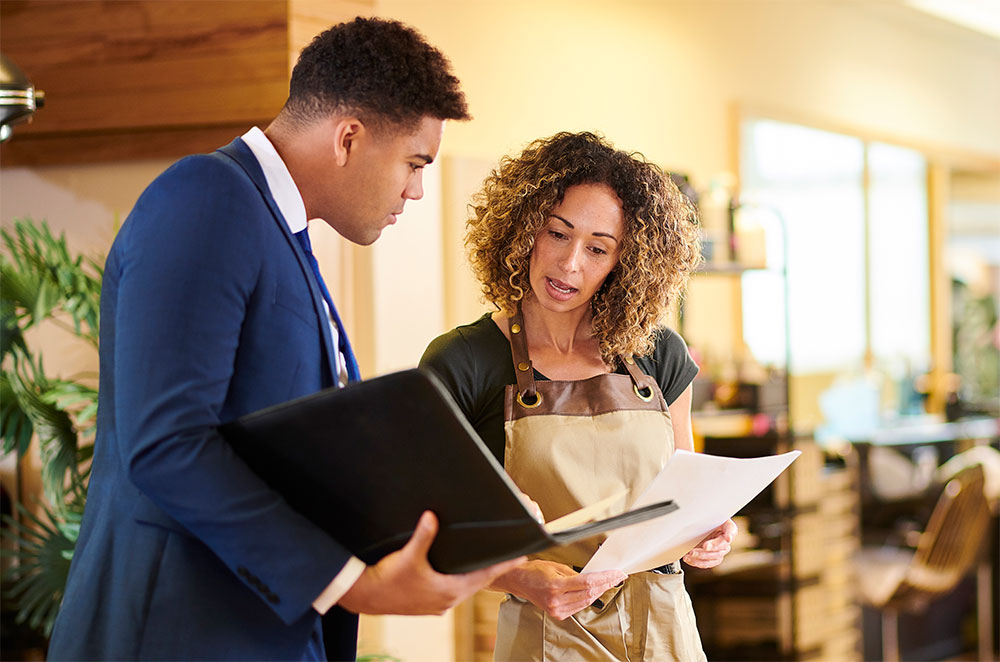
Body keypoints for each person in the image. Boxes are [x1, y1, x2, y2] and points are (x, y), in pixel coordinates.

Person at [48, 17, 523, 662]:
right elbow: (168, 443)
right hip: (179, 634)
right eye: (414, 163)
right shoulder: (206, 197)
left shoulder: (283, 236)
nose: (415, 190)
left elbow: (293, 454)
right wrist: (355, 584)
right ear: (349, 138)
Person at [420, 132, 737, 661]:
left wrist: (708, 532)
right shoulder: (464, 362)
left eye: (597, 248)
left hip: (664, 631)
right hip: (549, 634)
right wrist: (519, 578)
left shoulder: (660, 355)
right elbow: (434, 532)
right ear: (522, 231)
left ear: (625, 261)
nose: (570, 265)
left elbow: (686, 493)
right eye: (557, 234)